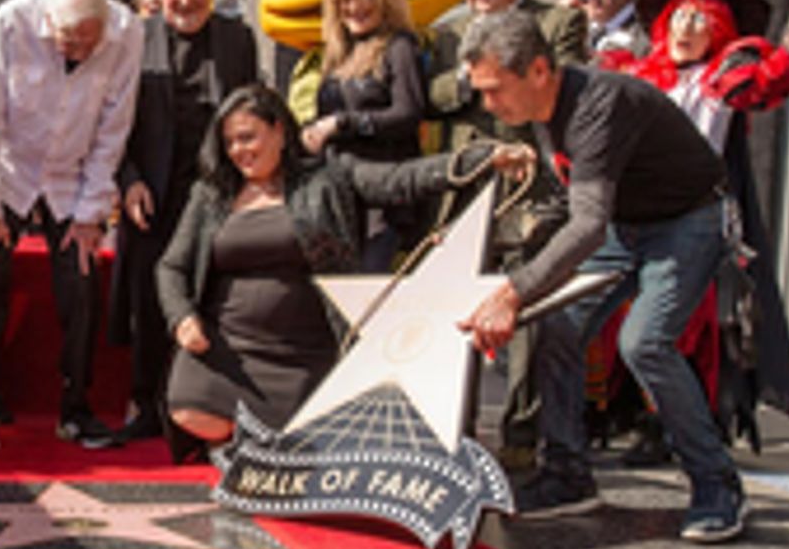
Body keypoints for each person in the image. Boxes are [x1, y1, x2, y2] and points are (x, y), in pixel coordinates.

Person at [458, 9, 747, 542]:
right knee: (556, 326)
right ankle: (567, 475)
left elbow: (587, 224)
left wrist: (513, 292)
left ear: (538, 70)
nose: (488, 105)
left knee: (645, 344)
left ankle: (717, 485)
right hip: (625, 225)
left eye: (495, 90)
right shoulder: (544, 110)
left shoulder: (599, 104)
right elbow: (581, 206)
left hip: (687, 220)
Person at [156, 83, 527, 447]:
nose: (238, 150)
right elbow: (171, 267)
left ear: (279, 131)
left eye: (247, 138)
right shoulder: (210, 195)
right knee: (189, 408)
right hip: (225, 347)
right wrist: (182, 317)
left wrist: (483, 159)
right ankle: (243, 444)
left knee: (304, 435)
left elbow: (400, 179)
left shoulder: (328, 178)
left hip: (302, 353)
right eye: (229, 142)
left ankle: (262, 444)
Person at [605, 0, 789, 462]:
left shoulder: (720, 81)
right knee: (615, 325)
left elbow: (774, 75)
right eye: (678, 17)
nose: (685, 28)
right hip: (632, 221)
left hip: (693, 223)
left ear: (717, 31)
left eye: (699, 20)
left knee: (685, 331)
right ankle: (626, 421)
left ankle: (678, 430)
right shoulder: (641, 77)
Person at [426, 0, 588, 470]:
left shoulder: (557, 21)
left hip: (533, 187)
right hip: (468, 190)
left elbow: (562, 84)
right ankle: (458, 433)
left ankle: (522, 439)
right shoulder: (446, 33)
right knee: (460, 310)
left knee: (528, 315)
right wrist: (470, 79)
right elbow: (433, 96)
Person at [0, 0, 143, 451]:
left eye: (88, 43)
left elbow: (114, 129)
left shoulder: (127, 31)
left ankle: (76, 407)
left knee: (81, 283)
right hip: (12, 168)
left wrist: (91, 213)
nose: (77, 52)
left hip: (72, 174)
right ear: (48, 20)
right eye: (67, 40)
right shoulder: (11, 21)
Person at [110, 0, 257, 445]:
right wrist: (127, 180)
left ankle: (203, 410)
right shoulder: (133, 38)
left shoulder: (238, 39)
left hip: (215, 194)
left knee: (211, 301)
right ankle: (148, 405)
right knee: (151, 303)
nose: (187, 0)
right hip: (151, 194)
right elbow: (110, 123)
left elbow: (251, 112)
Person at [300, 0, 425, 272]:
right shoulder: (336, 54)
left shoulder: (399, 47)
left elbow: (408, 114)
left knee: (368, 283)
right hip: (340, 195)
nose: (354, 8)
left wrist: (343, 124)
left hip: (385, 196)